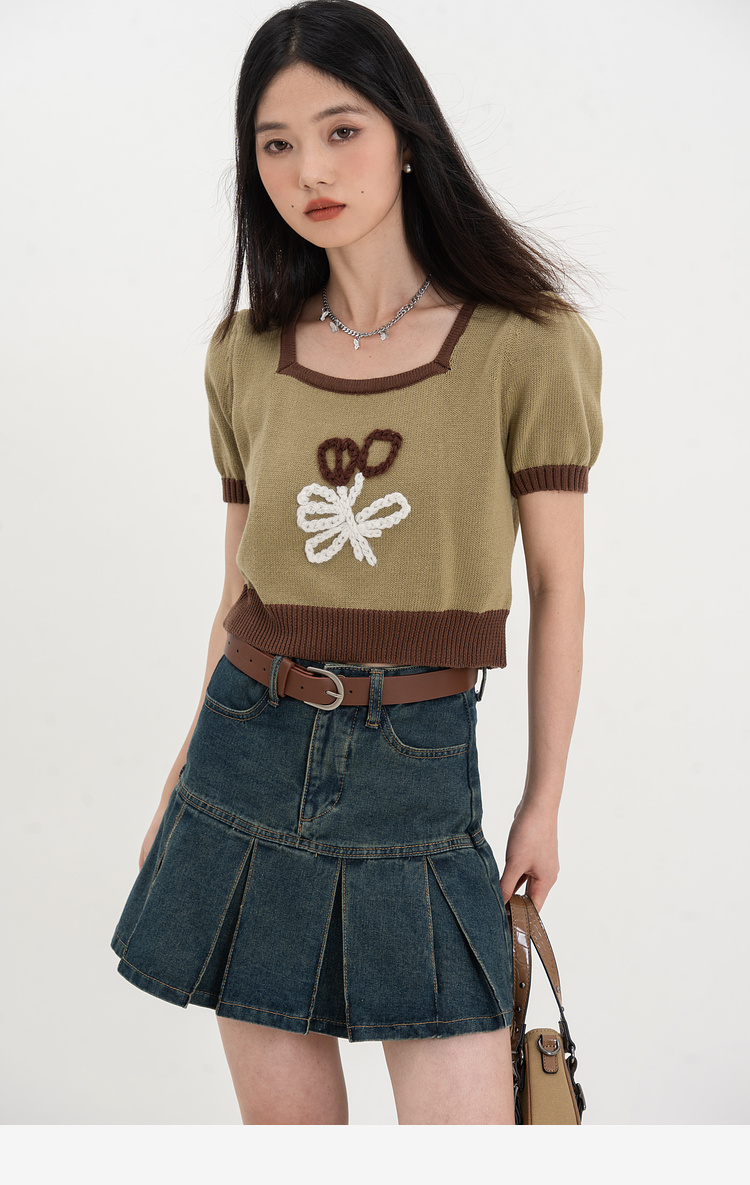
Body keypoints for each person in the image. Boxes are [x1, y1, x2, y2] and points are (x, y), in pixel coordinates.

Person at [110, 0, 603, 1125]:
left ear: (407, 136)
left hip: (420, 768)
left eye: (341, 131)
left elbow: (559, 587)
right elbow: (238, 593)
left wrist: (544, 801)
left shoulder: (527, 345)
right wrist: (182, 771)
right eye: (275, 144)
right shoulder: (244, 354)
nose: (310, 171)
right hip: (243, 754)